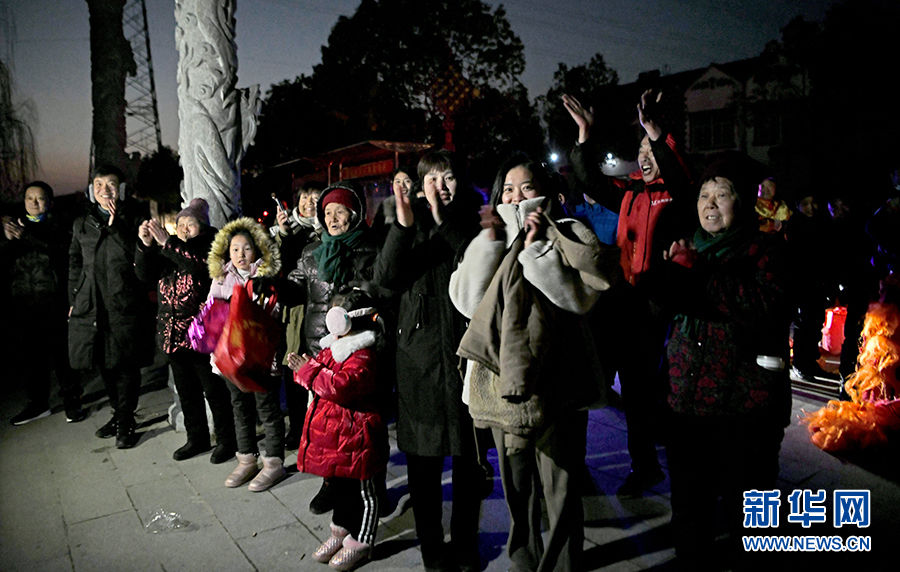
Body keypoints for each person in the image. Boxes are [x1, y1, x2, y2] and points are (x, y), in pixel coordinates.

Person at [450, 154, 616, 571]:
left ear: (544, 192)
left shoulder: (569, 231)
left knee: (560, 486)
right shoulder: (488, 236)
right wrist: (492, 243)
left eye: (526, 188)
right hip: (499, 383)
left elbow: (577, 298)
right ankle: (523, 559)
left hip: (559, 381)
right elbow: (468, 301)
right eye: (508, 188)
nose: (515, 196)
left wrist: (537, 249)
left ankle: (563, 563)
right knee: (515, 484)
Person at [645, 157, 791, 569]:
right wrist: (668, 276)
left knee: (752, 515)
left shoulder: (765, 251)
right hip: (685, 406)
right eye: (704, 196)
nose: (710, 204)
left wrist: (698, 275)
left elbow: (761, 306)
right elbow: (659, 316)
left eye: (721, 195)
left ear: (740, 202)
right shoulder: (688, 246)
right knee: (690, 509)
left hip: (745, 410)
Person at [564, 90, 694, 495]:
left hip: (650, 307)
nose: (645, 155)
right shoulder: (629, 193)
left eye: (652, 148)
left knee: (639, 394)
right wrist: (584, 134)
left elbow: (676, 175)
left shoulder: (679, 197)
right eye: (641, 148)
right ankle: (575, 466)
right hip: (616, 300)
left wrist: (657, 134)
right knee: (589, 382)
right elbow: (587, 178)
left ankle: (645, 466)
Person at [373, 150, 484, 571]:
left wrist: (443, 220)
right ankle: (432, 549)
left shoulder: (476, 220)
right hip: (418, 362)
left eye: (449, 176)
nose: (441, 185)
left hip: (467, 358)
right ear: (419, 185)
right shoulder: (406, 222)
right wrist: (404, 228)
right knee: (422, 467)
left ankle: (466, 544)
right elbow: (384, 281)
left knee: (470, 462)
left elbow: (477, 267)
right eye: (432, 178)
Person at [280, 183, 378, 514]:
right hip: (317, 348)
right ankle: (330, 484)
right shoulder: (311, 252)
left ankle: (371, 485)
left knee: (359, 428)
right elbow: (294, 287)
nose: (333, 218)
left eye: (340, 211)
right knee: (326, 428)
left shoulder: (370, 250)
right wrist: (275, 283)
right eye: (327, 213)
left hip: (356, 352)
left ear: (354, 214)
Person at [288, 290, 387, 571]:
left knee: (365, 493)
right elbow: (319, 373)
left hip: (359, 439)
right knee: (342, 489)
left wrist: (309, 371)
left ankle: (361, 541)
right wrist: (306, 368)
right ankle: (341, 532)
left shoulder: (363, 354)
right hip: (338, 438)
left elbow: (340, 386)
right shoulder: (334, 347)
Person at [135, 198, 236, 463]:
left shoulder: (211, 247)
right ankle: (197, 438)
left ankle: (227, 440)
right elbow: (144, 274)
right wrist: (146, 245)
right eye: (180, 224)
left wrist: (167, 242)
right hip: (171, 333)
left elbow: (199, 267)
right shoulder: (170, 250)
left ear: (202, 226)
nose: (184, 229)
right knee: (186, 390)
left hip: (201, 333)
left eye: (190, 224)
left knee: (213, 390)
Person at [69, 165, 148, 449]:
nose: (105, 190)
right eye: (99, 184)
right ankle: (118, 413)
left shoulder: (135, 219)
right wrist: (73, 299)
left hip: (123, 303)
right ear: (92, 191)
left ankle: (127, 421)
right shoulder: (82, 223)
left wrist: (118, 229)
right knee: (103, 362)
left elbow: (142, 259)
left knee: (126, 363)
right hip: (92, 304)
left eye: (111, 184)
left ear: (121, 189)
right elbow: (75, 263)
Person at [207, 217, 285, 491]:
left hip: (261, 357)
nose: (241, 254)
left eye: (247, 248)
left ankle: (273, 462)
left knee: (267, 408)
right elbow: (212, 317)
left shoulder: (266, 276)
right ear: (227, 251)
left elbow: (274, 314)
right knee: (239, 407)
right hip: (232, 360)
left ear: (257, 249)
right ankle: (246, 459)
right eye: (235, 249)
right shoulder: (221, 277)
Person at [2, 181, 85, 425]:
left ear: (49, 201)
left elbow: (60, 253)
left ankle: (72, 401)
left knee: (62, 356)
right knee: (31, 357)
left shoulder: (58, 224)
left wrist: (26, 237)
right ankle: (38, 404)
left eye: (40, 198)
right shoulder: (14, 226)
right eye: (29, 198)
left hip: (54, 300)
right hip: (23, 302)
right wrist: (9, 240)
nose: (34, 203)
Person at [269, 184, 322, 450]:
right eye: (304, 198)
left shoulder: (326, 231)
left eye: (314, 198)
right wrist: (284, 233)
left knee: (318, 369)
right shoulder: (290, 232)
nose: (309, 202)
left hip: (321, 308)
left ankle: (319, 426)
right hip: (295, 309)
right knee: (293, 366)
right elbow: (279, 265)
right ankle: (297, 426)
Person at [784, 191, 831, 382]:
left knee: (816, 322)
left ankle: (810, 361)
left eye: (813, 203)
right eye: (806, 203)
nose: (810, 207)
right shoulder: (794, 225)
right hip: (801, 281)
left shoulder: (820, 222)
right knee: (803, 323)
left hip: (818, 281)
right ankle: (801, 364)